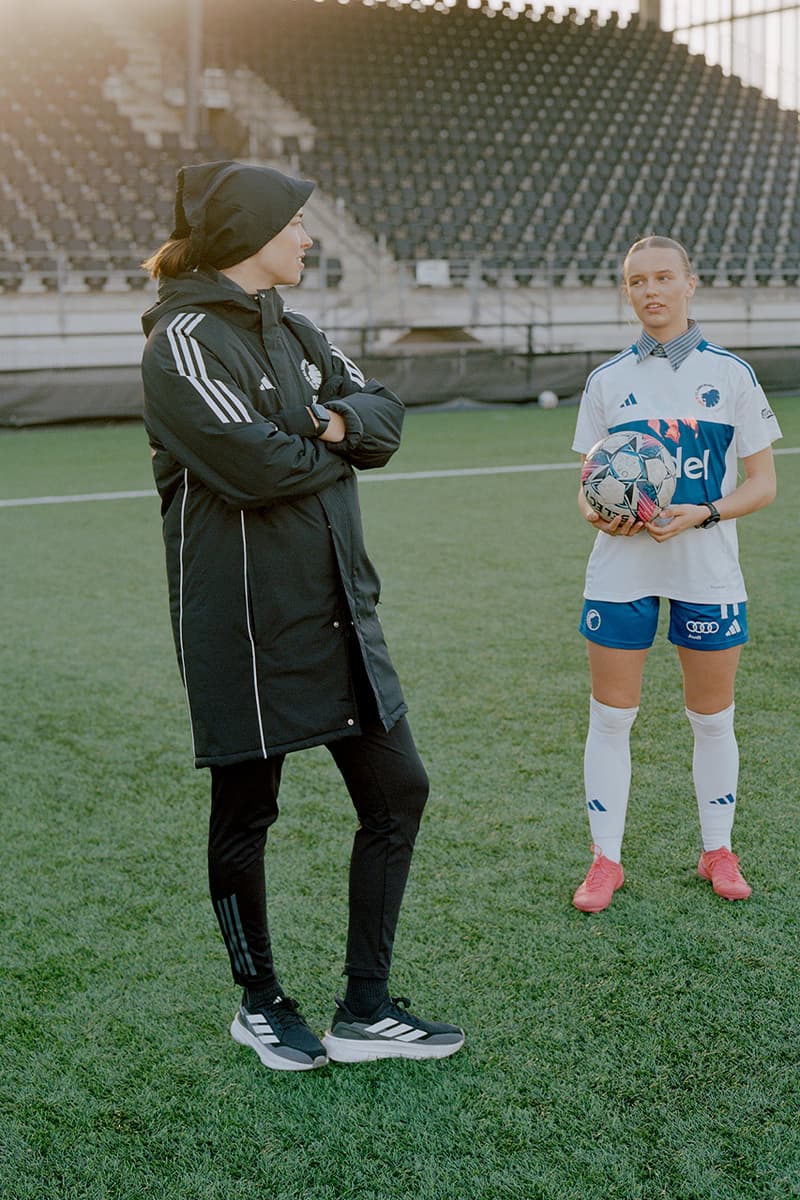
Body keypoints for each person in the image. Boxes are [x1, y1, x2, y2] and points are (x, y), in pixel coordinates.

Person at [140, 160, 464, 1069]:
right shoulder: (182, 340)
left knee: (399, 793)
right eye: (294, 224)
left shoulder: (296, 327)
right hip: (244, 625)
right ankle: (260, 1002)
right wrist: (334, 446)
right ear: (247, 232)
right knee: (248, 811)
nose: (308, 237)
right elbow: (254, 469)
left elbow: (385, 416)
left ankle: (365, 1009)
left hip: (339, 609)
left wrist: (326, 425)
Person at [571, 234, 781, 913]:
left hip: (707, 570)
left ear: (690, 284)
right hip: (620, 572)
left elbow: (763, 484)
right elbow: (588, 486)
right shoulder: (607, 381)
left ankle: (717, 849)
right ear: (627, 292)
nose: (650, 291)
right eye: (637, 281)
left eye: (663, 277)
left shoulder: (732, 374)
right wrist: (601, 515)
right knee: (611, 718)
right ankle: (605, 860)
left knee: (712, 720)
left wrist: (704, 513)